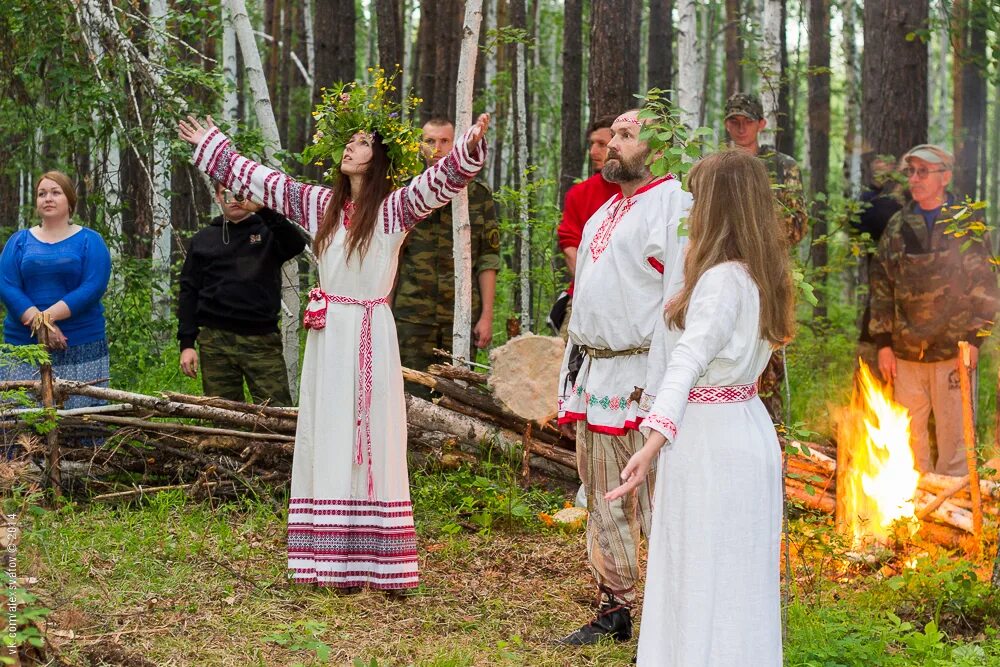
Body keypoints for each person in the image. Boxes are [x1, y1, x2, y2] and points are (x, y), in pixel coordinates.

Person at [177, 80, 490, 592]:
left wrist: (468, 148)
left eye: (363, 142)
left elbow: (439, 183)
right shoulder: (319, 204)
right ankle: (326, 558)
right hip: (329, 335)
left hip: (369, 330)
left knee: (370, 437)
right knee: (327, 432)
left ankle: (374, 560)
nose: (351, 147)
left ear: (380, 157)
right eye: (350, 141)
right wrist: (215, 148)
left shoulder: (394, 208)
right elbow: (264, 182)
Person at [607, 149, 794, 666]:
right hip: (747, 427)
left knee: (700, 567)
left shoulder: (722, 280)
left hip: (710, 437)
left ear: (719, 205)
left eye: (698, 196)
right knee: (737, 569)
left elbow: (687, 359)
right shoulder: (763, 275)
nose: (689, 208)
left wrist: (652, 439)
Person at [556, 109, 691, 644]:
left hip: (645, 378)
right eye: (613, 134)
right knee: (603, 495)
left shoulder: (675, 207)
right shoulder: (603, 212)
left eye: (626, 136)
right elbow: (586, 302)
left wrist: (666, 393)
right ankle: (614, 606)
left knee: (657, 501)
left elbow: (678, 304)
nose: (612, 143)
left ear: (656, 149)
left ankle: (668, 616)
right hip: (596, 376)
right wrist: (570, 381)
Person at [869, 144, 999, 476]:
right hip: (906, 357)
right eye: (911, 171)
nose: (915, 178)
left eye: (923, 171)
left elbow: (986, 283)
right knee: (909, 445)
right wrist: (883, 344)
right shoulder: (898, 226)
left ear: (945, 176)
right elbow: (882, 286)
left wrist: (974, 340)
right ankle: (910, 519)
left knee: (956, 446)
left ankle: (953, 518)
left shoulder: (965, 223)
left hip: (954, 353)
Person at [177, 182, 306, 405]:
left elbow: (296, 244)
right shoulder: (204, 239)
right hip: (215, 340)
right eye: (227, 194)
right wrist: (187, 344)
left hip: (260, 338)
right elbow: (189, 292)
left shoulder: (268, 232)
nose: (234, 200)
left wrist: (263, 209)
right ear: (217, 197)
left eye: (240, 194)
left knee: (275, 411)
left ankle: (276, 441)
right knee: (223, 413)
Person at [393, 118, 501, 376]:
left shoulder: (477, 195)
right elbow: (391, 258)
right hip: (412, 317)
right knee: (410, 395)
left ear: (456, 146)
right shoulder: (405, 193)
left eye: (444, 141)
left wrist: (486, 316)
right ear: (420, 146)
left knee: (460, 396)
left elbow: (488, 258)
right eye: (430, 141)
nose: (437, 148)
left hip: (460, 316)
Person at [724, 92, 807, 423]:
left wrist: (754, 233)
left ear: (761, 124)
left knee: (768, 361)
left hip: (769, 277)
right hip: (724, 273)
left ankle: (773, 440)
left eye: (747, 121)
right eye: (734, 121)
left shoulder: (781, 166)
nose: (741, 128)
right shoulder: (716, 164)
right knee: (727, 354)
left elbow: (798, 224)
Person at [0, 171, 112, 410]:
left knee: (82, 420)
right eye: (42, 194)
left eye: (55, 192)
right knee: (21, 423)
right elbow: (6, 284)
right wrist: (39, 323)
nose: (47, 198)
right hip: (23, 346)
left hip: (81, 344)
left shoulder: (90, 241)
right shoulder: (18, 241)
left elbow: (93, 286)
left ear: (70, 200)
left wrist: (46, 319)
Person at [552, 114, 622, 337]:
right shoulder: (579, 194)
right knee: (566, 363)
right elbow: (569, 245)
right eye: (592, 144)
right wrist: (593, 286)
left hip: (630, 300)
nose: (593, 152)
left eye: (601, 144)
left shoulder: (640, 192)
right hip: (583, 296)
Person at [850, 154, 904, 369]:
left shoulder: (905, 200)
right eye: (877, 170)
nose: (880, 175)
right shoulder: (867, 200)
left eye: (886, 170)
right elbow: (856, 230)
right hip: (881, 277)